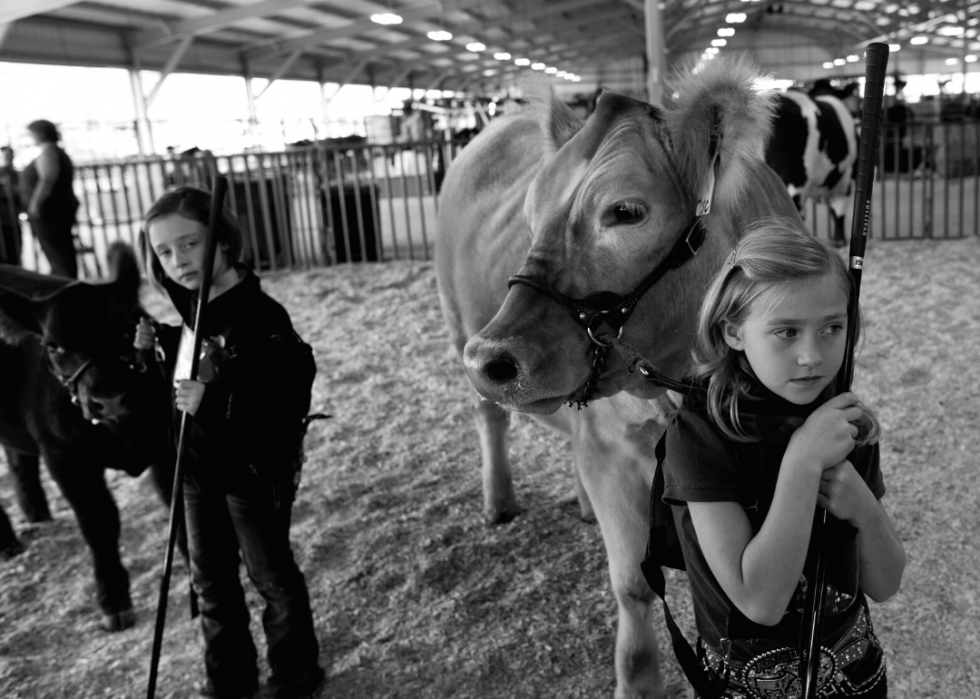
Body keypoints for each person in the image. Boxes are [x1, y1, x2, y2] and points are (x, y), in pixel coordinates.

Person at [658, 222, 905, 697]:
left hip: (854, 676)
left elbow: (886, 582)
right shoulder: (698, 435)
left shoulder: (845, 423)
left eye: (832, 327)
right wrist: (802, 464)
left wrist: (863, 507)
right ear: (733, 332)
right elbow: (760, 600)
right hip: (748, 685)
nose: (812, 355)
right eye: (786, 331)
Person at [135, 186, 324, 699]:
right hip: (196, 470)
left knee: (271, 578)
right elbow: (187, 373)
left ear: (223, 241)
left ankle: (295, 676)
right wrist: (159, 347)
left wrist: (214, 401)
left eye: (190, 243)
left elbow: (282, 402)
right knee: (210, 582)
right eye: (165, 251)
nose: (178, 260)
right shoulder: (191, 308)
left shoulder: (263, 319)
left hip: (251, 474)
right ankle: (229, 678)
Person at [20, 120, 80, 278]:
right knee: (59, 253)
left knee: (59, 255)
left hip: (51, 212)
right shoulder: (53, 151)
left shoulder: (49, 152)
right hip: (55, 210)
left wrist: (35, 204)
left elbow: (48, 178)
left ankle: (66, 290)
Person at [0, 145, 22, 265]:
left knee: (15, 250)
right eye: (6, 155)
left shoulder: (16, 174)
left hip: (13, 218)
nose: (9, 158)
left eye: (10, 155)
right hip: (3, 220)